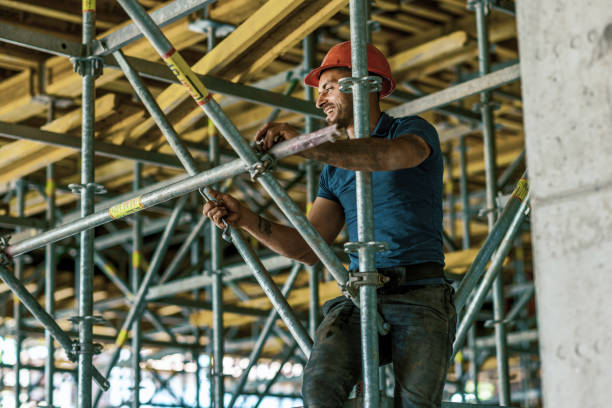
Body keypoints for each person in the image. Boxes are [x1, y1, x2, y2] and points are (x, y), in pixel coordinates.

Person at [203, 41, 456, 408]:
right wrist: (246, 219)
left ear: (364, 84)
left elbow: (385, 156)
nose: (320, 100)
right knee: (319, 389)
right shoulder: (334, 170)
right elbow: (308, 248)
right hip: (360, 295)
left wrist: (310, 145)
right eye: (319, 92)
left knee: (415, 404)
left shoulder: (410, 131)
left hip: (420, 292)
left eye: (329, 87)